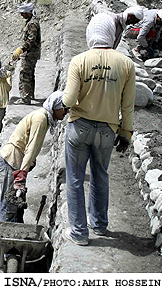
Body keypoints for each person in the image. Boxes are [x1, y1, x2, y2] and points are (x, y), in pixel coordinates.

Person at [62, 12, 136, 246]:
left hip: (80, 129)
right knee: (100, 175)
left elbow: (69, 99)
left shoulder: (80, 60)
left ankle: (79, 233)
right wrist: (126, 133)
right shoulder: (126, 63)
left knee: (74, 180)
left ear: (91, 34)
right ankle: (100, 225)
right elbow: (128, 104)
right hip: (107, 130)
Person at [0, 91, 68, 222]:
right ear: (56, 106)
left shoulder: (44, 118)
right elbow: (31, 147)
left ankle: (16, 234)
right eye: (65, 108)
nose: (66, 111)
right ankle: (4, 238)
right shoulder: (41, 118)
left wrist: (29, 164)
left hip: (17, 162)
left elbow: (32, 146)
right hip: (11, 161)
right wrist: (21, 175)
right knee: (10, 205)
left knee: (17, 205)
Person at [12, 2, 41, 104]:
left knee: (24, 75)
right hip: (32, 53)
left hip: (30, 54)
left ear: (28, 12)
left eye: (23, 13)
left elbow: (30, 40)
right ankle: (30, 95)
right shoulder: (31, 21)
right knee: (30, 74)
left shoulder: (32, 24)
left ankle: (25, 98)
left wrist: (21, 49)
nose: (22, 15)